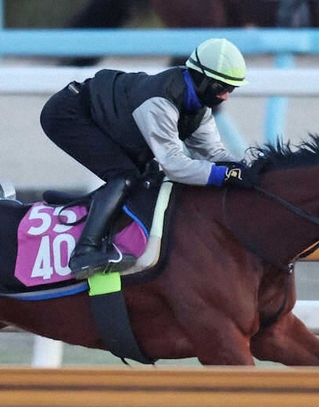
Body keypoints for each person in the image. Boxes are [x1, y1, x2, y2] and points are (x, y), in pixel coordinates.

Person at [40, 37, 252, 279]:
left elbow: (214, 153)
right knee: (124, 177)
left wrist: (246, 168)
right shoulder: (160, 101)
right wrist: (222, 175)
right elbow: (174, 165)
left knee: (147, 178)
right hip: (68, 113)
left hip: (103, 118)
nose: (225, 97)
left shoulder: (199, 110)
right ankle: (84, 253)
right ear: (201, 78)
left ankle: (87, 209)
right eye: (221, 88)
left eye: (231, 89)